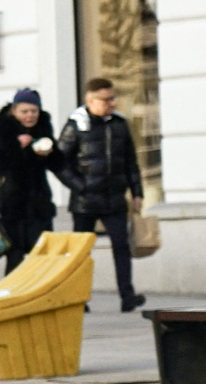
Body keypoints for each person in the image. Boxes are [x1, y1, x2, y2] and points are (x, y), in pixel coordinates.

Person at [57, 76, 146, 312]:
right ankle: (79, 298)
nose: (112, 104)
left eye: (112, 98)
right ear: (91, 100)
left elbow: (130, 162)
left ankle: (127, 296)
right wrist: (79, 185)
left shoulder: (118, 124)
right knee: (80, 253)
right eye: (106, 100)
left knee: (121, 246)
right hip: (85, 201)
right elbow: (58, 162)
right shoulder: (76, 125)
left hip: (114, 197)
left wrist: (137, 192)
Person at [0, 87, 61, 270]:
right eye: (24, 111)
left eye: (34, 111)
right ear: (14, 111)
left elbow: (59, 164)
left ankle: (39, 296)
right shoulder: (1, 132)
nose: (30, 116)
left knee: (41, 256)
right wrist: (16, 147)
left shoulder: (43, 131)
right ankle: (13, 296)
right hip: (9, 205)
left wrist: (49, 154)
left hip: (38, 205)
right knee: (14, 257)